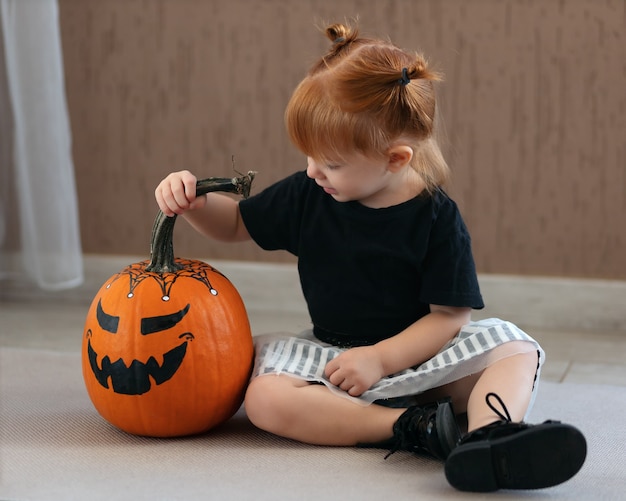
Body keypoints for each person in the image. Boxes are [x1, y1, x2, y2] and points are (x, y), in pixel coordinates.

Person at [155, 22, 586, 492]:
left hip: (425, 359)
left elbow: (448, 319)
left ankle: (490, 440)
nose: (313, 170)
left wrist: (381, 359)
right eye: (309, 156)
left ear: (396, 159)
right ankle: (411, 428)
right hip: (335, 362)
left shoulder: (436, 218)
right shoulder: (310, 193)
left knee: (516, 350)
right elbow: (237, 224)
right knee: (264, 400)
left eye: (332, 163)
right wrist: (194, 203)